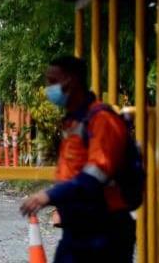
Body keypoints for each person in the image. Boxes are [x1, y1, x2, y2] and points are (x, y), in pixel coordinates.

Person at [20, 55, 134, 263]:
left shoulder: (102, 120)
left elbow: (95, 176)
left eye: (53, 82)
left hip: (104, 230)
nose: (48, 88)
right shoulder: (74, 121)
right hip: (78, 230)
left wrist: (49, 195)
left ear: (71, 81)